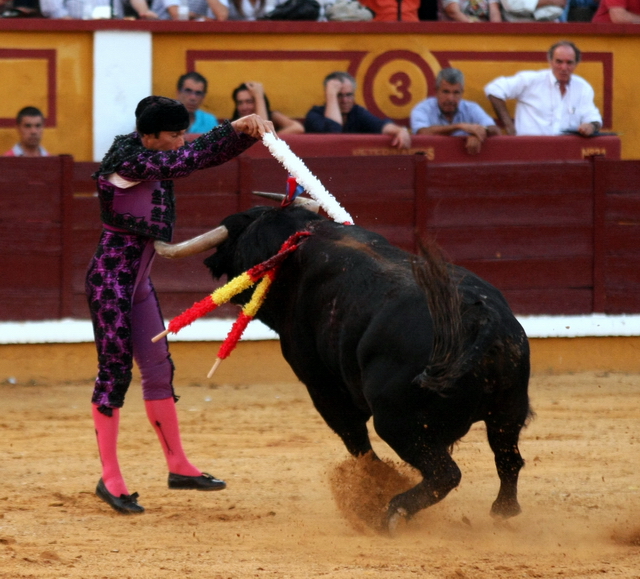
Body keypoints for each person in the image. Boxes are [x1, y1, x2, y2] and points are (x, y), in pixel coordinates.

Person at [86, 96, 274, 514]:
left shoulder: (154, 151)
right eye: (173, 134)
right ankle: (110, 477)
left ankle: (178, 465)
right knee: (114, 374)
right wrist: (232, 128)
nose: (180, 141)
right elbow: (182, 162)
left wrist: (242, 134)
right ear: (149, 136)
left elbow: (190, 157)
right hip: (111, 283)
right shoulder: (131, 160)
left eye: (182, 132)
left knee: (158, 369)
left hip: (137, 284)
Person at [484, 40, 602, 137]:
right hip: (530, 149)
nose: (564, 67)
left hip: (566, 151)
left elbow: (592, 116)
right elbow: (494, 89)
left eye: (569, 63)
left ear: (576, 64)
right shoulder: (532, 80)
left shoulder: (582, 87)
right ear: (550, 61)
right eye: (559, 62)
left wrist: (591, 126)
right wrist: (509, 126)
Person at [304, 71, 411, 150]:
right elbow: (333, 131)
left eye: (349, 95)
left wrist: (400, 131)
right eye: (339, 95)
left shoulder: (357, 112)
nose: (345, 100)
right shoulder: (315, 114)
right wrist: (331, 95)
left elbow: (380, 125)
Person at [411, 68, 500, 155]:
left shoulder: (471, 108)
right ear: (436, 91)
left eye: (456, 92)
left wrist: (478, 134)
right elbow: (422, 132)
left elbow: (495, 130)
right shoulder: (423, 108)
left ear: (462, 93)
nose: (450, 98)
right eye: (446, 92)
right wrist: (459, 126)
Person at [231, 82, 304, 135]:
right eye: (240, 103)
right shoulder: (235, 125)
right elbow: (261, 133)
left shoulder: (273, 116)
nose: (244, 107)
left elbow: (298, 128)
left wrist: (274, 137)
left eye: (249, 102)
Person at [176, 72, 219, 136]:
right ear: (178, 93)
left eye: (198, 93)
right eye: (188, 91)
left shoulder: (209, 121)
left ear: (203, 98)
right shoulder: (164, 118)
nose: (193, 98)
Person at [438, 0, 502, 21]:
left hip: (484, 34)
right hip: (456, 34)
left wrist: (495, 31)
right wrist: (476, 28)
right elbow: (453, 11)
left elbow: (495, 11)